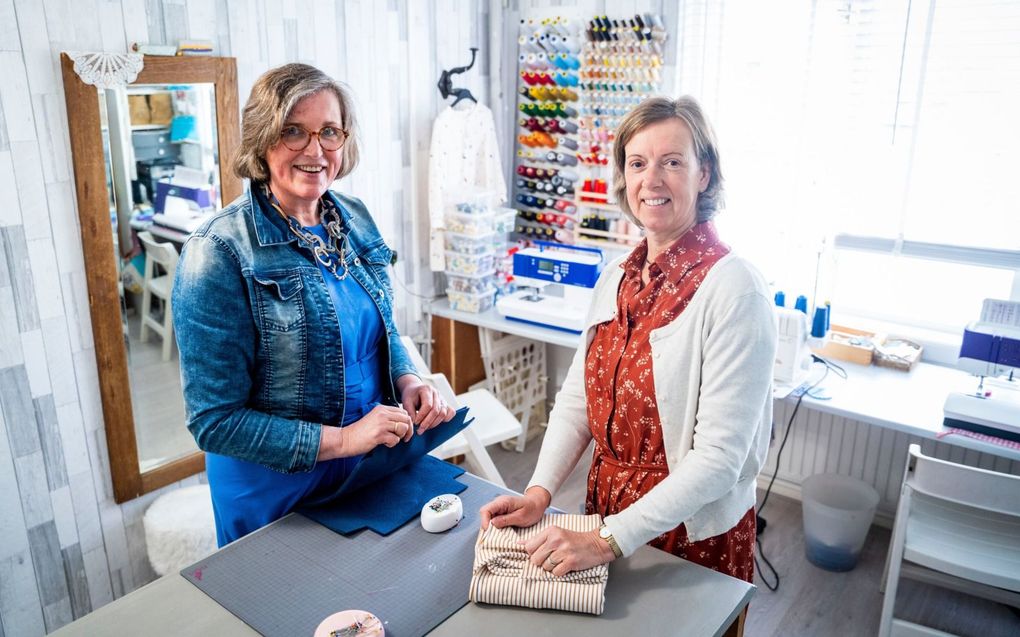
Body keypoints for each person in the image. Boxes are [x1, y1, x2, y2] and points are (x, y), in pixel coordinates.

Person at [480, 96, 776, 584]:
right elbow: (578, 401)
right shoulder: (617, 276)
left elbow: (720, 460)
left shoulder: (735, 289)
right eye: (637, 163)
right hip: (603, 517)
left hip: (689, 539)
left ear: (704, 174)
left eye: (672, 162)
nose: (651, 179)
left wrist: (606, 540)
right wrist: (539, 493)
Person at [172, 63, 454, 546]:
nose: (315, 150)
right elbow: (214, 422)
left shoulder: (355, 218)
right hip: (277, 489)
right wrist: (345, 439)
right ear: (263, 140)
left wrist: (408, 379)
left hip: (368, 463)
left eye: (329, 131)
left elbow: (381, 329)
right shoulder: (218, 252)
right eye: (293, 132)